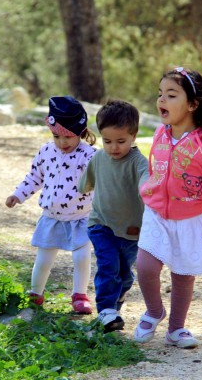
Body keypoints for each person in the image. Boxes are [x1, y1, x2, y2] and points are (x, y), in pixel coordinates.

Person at [134, 67, 202, 348]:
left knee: (182, 273)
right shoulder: (160, 134)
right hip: (157, 213)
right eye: (160, 94)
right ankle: (154, 311)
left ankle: (176, 329)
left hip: (192, 216)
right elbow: (156, 169)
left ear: (192, 104)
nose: (162, 100)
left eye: (171, 94)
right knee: (145, 266)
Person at [5, 95, 97, 314]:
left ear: (81, 133)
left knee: (82, 257)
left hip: (80, 218)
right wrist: (18, 195)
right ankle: (36, 293)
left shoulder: (90, 156)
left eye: (68, 137)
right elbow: (34, 178)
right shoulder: (46, 151)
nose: (62, 143)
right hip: (51, 217)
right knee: (44, 258)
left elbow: (102, 184)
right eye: (56, 136)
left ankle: (80, 295)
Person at [78, 100, 149, 333]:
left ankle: (114, 306)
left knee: (124, 275)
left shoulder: (139, 162)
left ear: (134, 136)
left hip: (131, 229)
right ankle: (106, 309)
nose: (113, 148)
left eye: (121, 141)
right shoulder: (98, 158)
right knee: (108, 266)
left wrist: (149, 191)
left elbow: (147, 182)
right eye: (107, 141)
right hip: (101, 224)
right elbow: (85, 184)